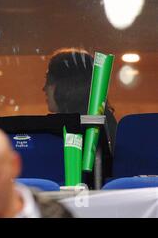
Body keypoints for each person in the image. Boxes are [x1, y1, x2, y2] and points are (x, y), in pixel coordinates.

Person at [43, 48, 117, 187]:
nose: (44, 88)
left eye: (49, 80)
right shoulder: (105, 123)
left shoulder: (92, 129)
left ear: (67, 84)